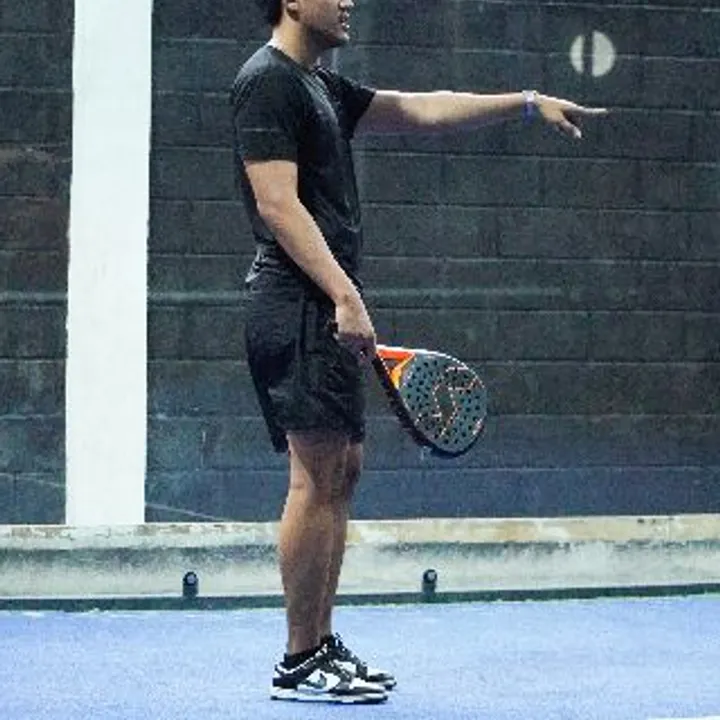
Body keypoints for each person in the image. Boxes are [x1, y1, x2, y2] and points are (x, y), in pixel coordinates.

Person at [231, 0, 606, 705]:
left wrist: (526, 102)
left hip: (323, 303)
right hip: (297, 303)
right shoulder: (266, 81)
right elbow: (278, 205)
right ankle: (299, 660)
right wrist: (344, 294)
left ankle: (320, 643)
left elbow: (423, 108)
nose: (348, 1)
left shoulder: (320, 84)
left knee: (342, 470)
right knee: (314, 477)